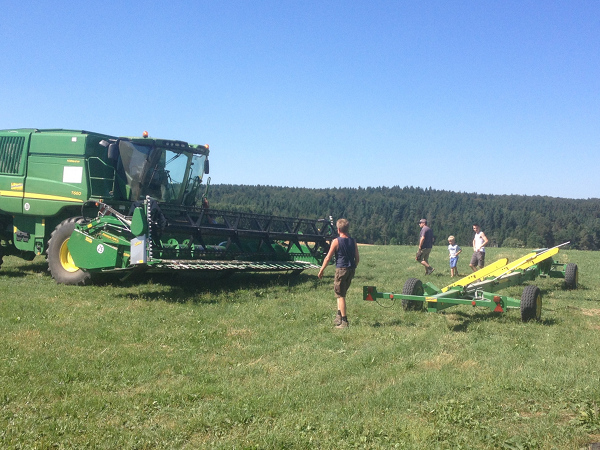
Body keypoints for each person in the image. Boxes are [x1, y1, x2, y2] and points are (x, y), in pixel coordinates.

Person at [318, 218, 359, 329]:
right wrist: (353, 267)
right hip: (351, 270)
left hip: (341, 270)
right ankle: (338, 315)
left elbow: (327, 258)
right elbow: (357, 258)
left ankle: (344, 322)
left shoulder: (336, 241)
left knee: (341, 296)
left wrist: (321, 270)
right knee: (340, 292)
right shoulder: (353, 241)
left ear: (338, 229)